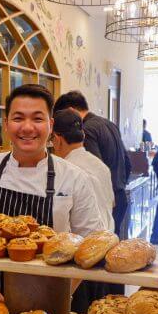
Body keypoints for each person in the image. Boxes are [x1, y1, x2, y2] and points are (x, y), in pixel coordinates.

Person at [0, 84, 105, 302]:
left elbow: (91, 245)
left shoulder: (74, 178)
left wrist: (61, 295)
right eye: (18, 118)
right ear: (6, 124)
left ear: (51, 125)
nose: (27, 127)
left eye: (37, 118)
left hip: (52, 298)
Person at [52, 91, 131, 235]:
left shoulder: (70, 170)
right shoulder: (109, 125)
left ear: (57, 140)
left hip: (89, 239)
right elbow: (127, 162)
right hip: (114, 209)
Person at [51, 109, 114, 231]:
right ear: (83, 135)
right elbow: (111, 203)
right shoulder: (101, 166)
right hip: (107, 238)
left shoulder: (66, 172)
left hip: (83, 244)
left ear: (57, 139)